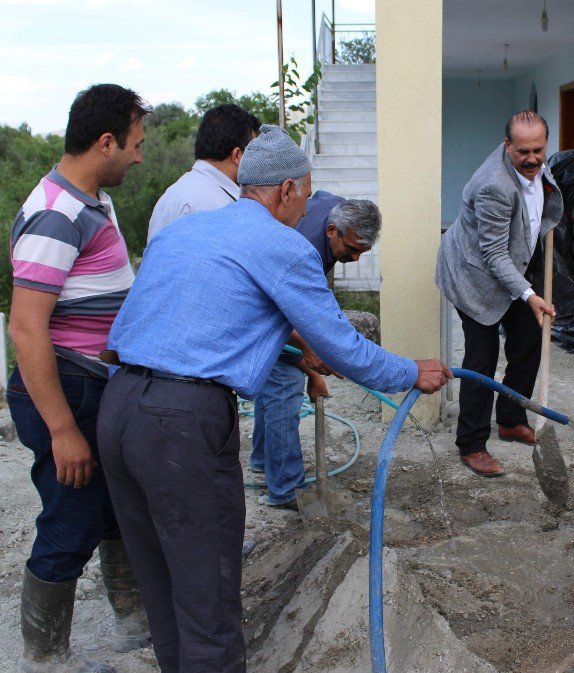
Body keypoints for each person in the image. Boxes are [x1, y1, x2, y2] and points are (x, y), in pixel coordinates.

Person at [96, 125, 451, 673]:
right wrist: (410, 372)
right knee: (208, 601)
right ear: (286, 189)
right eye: (306, 194)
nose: (307, 207)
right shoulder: (281, 244)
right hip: (181, 427)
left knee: (164, 590)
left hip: (117, 410)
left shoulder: (183, 234)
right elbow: (343, 346)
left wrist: (288, 355)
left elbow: (191, 331)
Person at [6, 84, 152, 673]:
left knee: (115, 506)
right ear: (105, 141)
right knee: (69, 521)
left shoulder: (92, 201)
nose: (140, 156)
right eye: (136, 145)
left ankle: (132, 625)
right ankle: (45, 659)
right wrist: (62, 428)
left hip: (95, 383)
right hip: (68, 389)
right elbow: (25, 328)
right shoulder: (56, 213)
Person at [436, 110, 562, 478]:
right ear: (507, 146)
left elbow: (541, 208)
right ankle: (472, 443)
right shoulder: (495, 185)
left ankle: (509, 418)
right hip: (473, 275)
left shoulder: (537, 165)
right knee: (481, 359)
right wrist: (529, 293)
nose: (532, 159)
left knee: (527, 341)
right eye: (523, 151)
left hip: (510, 269)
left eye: (538, 150)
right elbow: (493, 254)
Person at [249, 193, 381, 509]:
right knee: (283, 383)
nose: (355, 259)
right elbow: (281, 316)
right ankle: (284, 488)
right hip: (260, 310)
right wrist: (308, 363)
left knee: (275, 383)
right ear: (332, 230)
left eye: (363, 252)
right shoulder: (301, 250)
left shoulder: (334, 210)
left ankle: (263, 460)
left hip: (274, 299)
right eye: (351, 250)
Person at [147, 103, 261, 241]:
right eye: (253, 152)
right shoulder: (222, 208)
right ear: (237, 155)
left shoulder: (172, 196)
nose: (256, 161)